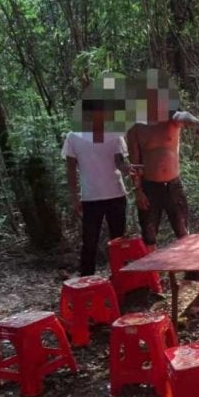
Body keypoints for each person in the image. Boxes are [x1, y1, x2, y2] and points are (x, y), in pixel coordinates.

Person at [126, 70, 199, 278]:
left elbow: (184, 116)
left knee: (182, 228)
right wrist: (138, 191)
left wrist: (197, 123)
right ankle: (154, 279)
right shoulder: (136, 128)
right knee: (149, 233)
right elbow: (135, 164)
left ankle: (191, 271)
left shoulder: (172, 118)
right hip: (149, 187)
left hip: (172, 184)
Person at [64, 77, 132, 276]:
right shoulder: (73, 136)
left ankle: (121, 279)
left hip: (116, 194)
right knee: (90, 242)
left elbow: (120, 162)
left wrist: (130, 169)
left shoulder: (114, 133)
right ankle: (86, 281)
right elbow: (70, 167)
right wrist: (75, 197)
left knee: (118, 240)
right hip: (91, 197)